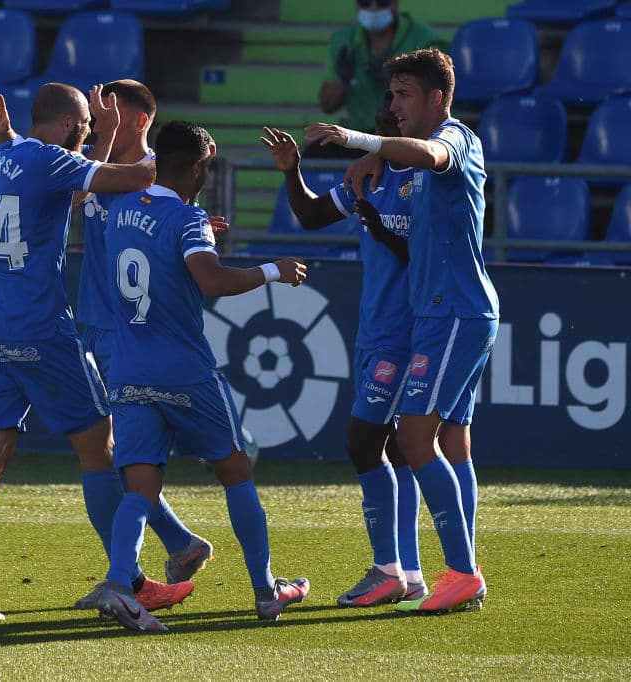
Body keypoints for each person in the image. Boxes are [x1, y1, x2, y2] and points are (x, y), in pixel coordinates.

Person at [0, 82, 194, 624]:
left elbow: (61, 183)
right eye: (85, 126)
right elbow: (144, 176)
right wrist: (120, 131)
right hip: (41, 331)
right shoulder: (52, 160)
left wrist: (14, 133)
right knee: (100, 448)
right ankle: (131, 581)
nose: (89, 134)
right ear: (70, 124)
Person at [89, 120, 311, 633]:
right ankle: (265, 591)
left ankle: (120, 585)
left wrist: (197, 231)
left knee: (140, 484)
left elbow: (152, 247)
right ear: (194, 168)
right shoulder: (187, 219)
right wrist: (273, 270)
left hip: (129, 368)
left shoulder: (120, 211)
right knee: (235, 471)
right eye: (206, 168)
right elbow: (211, 280)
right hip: (185, 370)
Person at [305, 47, 498, 614]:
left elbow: (430, 153)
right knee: (447, 440)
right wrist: (376, 160)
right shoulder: (405, 162)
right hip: (444, 315)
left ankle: (459, 572)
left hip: (456, 315)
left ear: (438, 98)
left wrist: (361, 143)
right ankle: (438, 571)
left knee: (413, 440)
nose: (393, 104)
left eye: (404, 94)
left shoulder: (456, 138)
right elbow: (406, 168)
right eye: (390, 95)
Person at [262, 92, 427, 608]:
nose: (386, 129)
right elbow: (311, 216)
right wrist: (293, 171)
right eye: (380, 122)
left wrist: (377, 224)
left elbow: (426, 253)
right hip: (375, 328)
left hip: (404, 332)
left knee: (363, 443)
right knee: (397, 447)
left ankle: (386, 569)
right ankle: (411, 572)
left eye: (392, 122)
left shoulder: (426, 182)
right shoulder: (369, 177)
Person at [310, 0, 445, 159]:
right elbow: (327, 106)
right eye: (365, 2)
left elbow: (437, 103)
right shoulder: (343, 40)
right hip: (357, 134)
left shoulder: (426, 41)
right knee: (312, 155)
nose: (373, 8)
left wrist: (394, 81)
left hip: (406, 136)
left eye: (382, 2)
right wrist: (343, 80)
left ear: (395, 3)